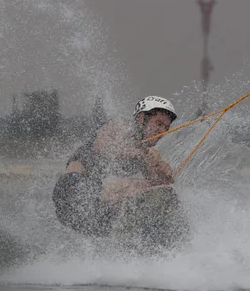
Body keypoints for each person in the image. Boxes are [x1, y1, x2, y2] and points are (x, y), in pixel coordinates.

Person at [52, 95, 178, 237]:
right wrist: (139, 153)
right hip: (75, 194)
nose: (161, 131)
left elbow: (158, 184)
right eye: (158, 123)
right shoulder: (119, 127)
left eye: (166, 127)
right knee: (135, 187)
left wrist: (163, 173)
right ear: (142, 118)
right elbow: (103, 147)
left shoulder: (148, 153)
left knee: (156, 191)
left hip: (99, 210)